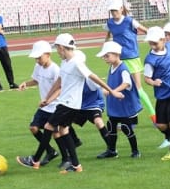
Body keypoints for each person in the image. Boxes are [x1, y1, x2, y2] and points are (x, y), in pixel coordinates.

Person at [16, 33, 124, 174]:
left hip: (69, 104)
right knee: (63, 130)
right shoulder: (65, 63)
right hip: (65, 103)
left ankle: (35, 160)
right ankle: (76, 166)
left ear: (61, 48)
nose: (57, 52)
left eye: (57, 49)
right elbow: (59, 82)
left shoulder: (76, 63)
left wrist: (112, 91)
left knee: (49, 126)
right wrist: (47, 99)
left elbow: (93, 76)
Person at [104, 0, 155, 124]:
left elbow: (146, 30)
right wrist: (106, 48)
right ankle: (129, 119)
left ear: (121, 9)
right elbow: (109, 34)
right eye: (112, 11)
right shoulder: (109, 23)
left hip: (132, 58)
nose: (114, 13)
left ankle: (154, 116)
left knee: (138, 89)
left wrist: (155, 39)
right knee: (122, 89)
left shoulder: (129, 21)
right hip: (118, 60)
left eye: (115, 10)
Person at [143, 26, 170, 161]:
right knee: (161, 125)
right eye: (150, 43)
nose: (152, 45)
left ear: (163, 40)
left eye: (155, 42)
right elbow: (146, 78)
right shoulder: (150, 60)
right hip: (162, 93)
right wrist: (154, 82)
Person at [96, 41, 142, 159]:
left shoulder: (123, 69)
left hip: (124, 106)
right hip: (115, 105)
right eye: (104, 56)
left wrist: (113, 91)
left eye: (107, 55)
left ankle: (135, 151)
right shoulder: (112, 68)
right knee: (111, 125)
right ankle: (111, 150)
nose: (105, 58)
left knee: (126, 128)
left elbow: (126, 83)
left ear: (117, 54)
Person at [17, 40, 60, 166]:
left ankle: (68, 157)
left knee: (56, 134)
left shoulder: (55, 69)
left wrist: (49, 100)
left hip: (54, 106)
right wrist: (26, 83)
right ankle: (50, 151)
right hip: (44, 106)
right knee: (33, 128)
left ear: (48, 54)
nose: (37, 60)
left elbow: (59, 88)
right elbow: (36, 80)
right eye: (35, 58)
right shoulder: (38, 67)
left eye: (39, 57)